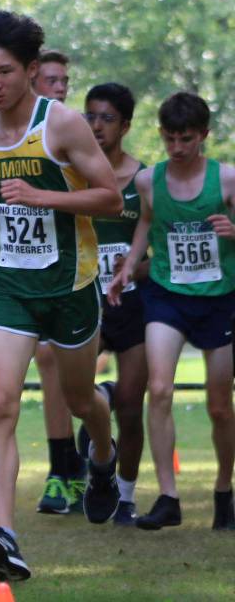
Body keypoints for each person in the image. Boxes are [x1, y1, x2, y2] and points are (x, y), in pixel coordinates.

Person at [0, 10, 121, 582]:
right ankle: (4, 534)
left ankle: (102, 458)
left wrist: (43, 198)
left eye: (3, 71)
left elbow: (110, 200)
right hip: (9, 287)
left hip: (69, 287)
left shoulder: (63, 125)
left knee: (81, 402)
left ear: (30, 69)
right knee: (1, 402)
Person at [107, 92, 235, 531]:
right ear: (161, 135)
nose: (178, 148)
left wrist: (232, 231)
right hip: (167, 294)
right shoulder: (149, 181)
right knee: (159, 389)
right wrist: (128, 266)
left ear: (203, 136)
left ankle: (223, 490)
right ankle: (168, 497)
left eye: (187, 139)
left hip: (221, 298)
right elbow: (145, 221)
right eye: (170, 139)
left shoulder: (228, 180)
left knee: (220, 406)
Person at [84, 83, 149, 525]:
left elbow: (159, 249)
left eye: (107, 118)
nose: (96, 126)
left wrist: (131, 269)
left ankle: (125, 495)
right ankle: (98, 467)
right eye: (90, 116)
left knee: (130, 404)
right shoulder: (75, 174)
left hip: (132, 303)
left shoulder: (145, 179)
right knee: (77, 395)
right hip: (85, 300)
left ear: (125, 125)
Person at [30, 47, 88, 515]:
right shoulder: (6, 138)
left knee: (85, 391)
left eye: (65, 81)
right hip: (38, 278)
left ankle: (99, 452)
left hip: (89, 276)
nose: (61, 87)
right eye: (52, 79)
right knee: (48, 361)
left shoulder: (77, 132)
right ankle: (62, 471)